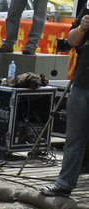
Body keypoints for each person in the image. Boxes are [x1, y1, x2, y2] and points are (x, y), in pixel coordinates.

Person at [41, 8, 89, 197]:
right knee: (74, 137)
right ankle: (64, 184)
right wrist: (82, 28)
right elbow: (72, 40)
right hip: (82, 83)